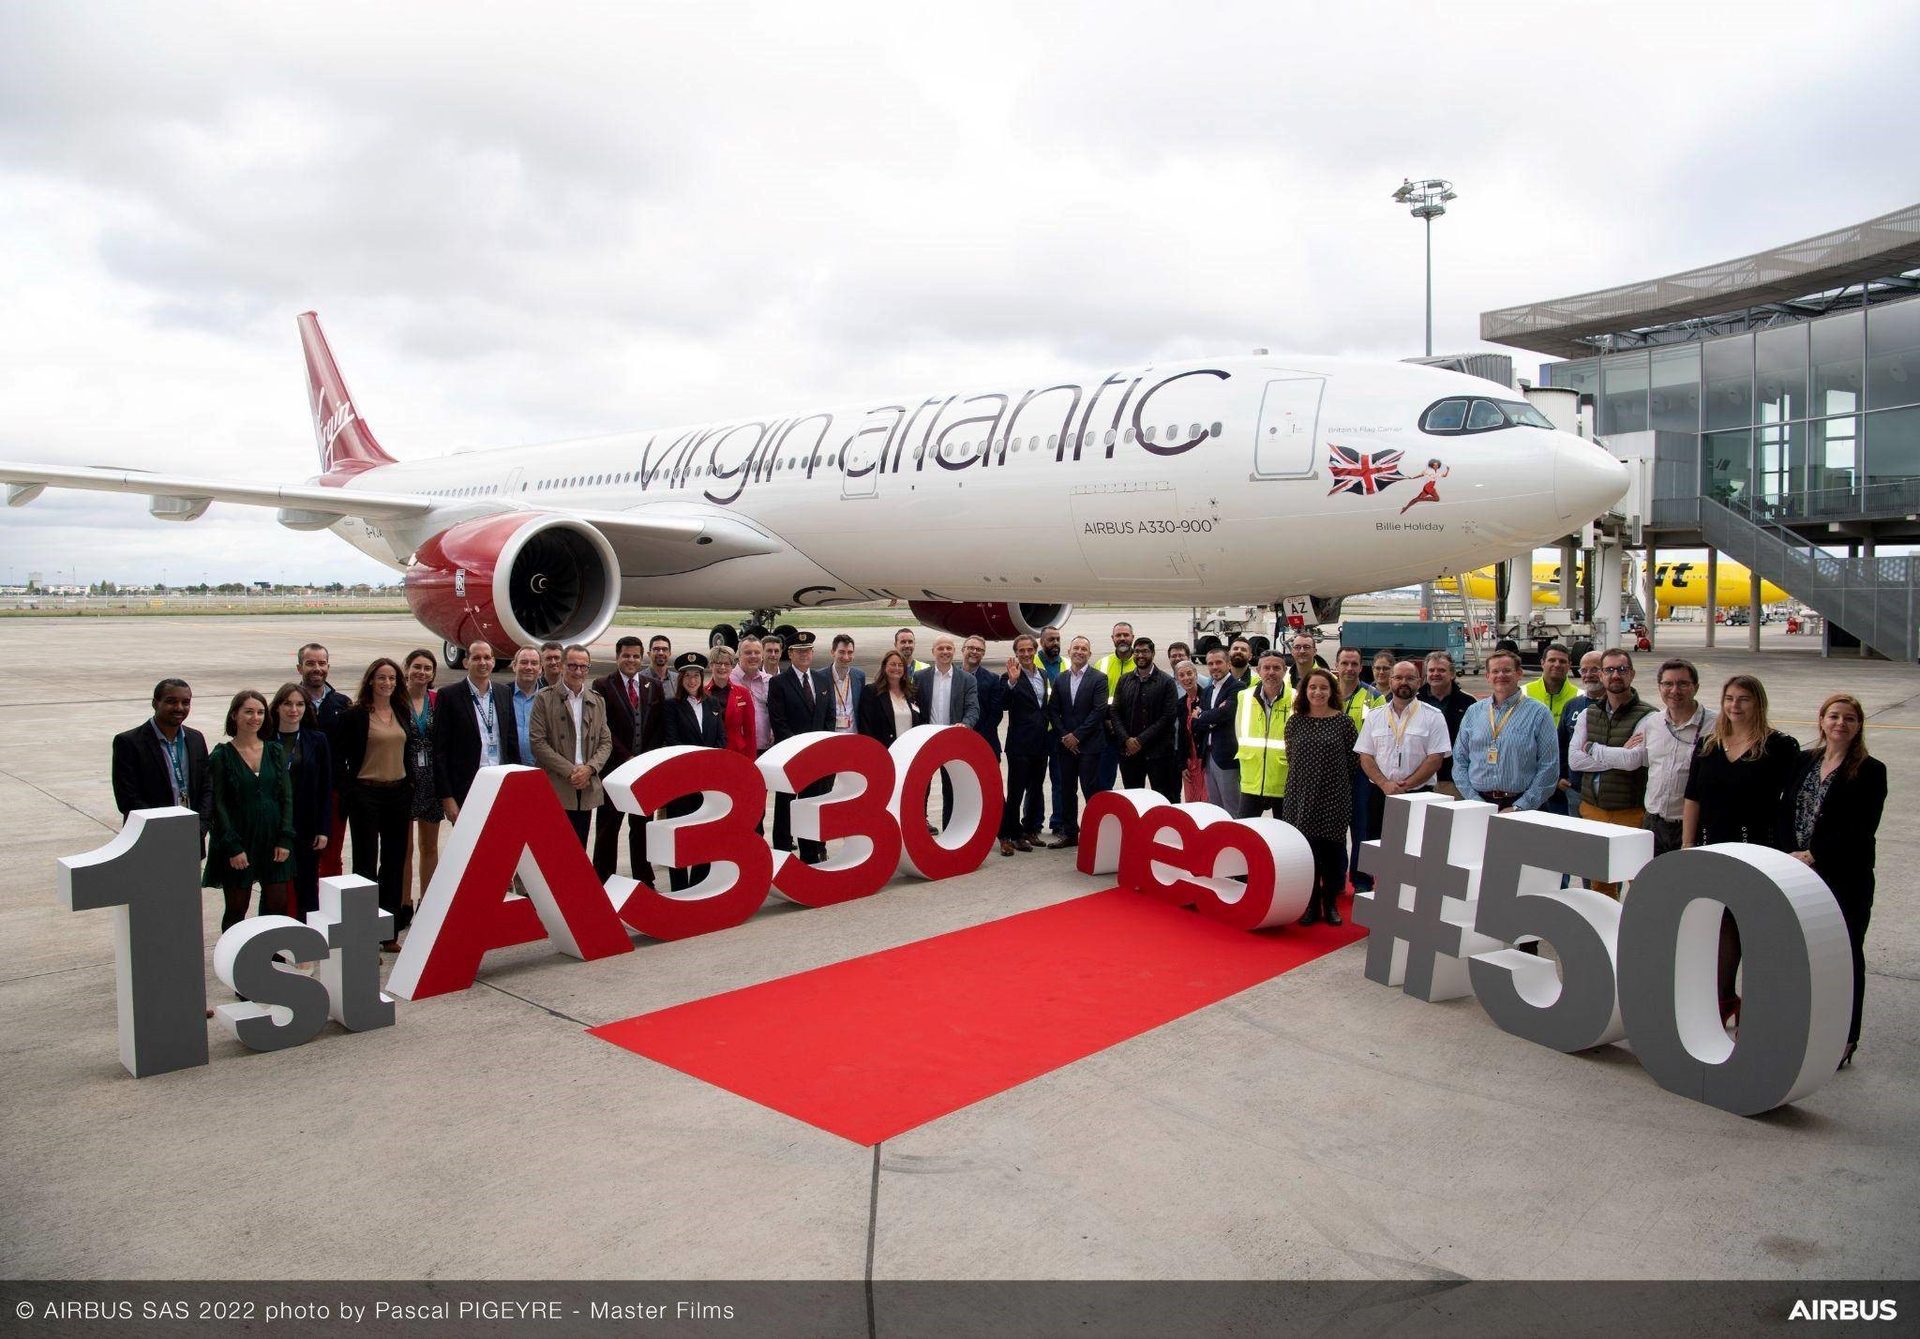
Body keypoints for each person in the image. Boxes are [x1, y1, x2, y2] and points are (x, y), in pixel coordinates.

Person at [1684, 675, 1801, 1026]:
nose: (1735, 705)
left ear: (1758, 703)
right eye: (1729, 698)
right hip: (1712, 844)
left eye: (1744, 699)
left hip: (1758, 848)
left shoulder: (1779, 746)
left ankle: (1759, 1002)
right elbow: (1692, 797)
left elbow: (1790, 802)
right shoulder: (1708, 743)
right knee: (1719, 924)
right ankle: (1721, 998)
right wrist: (1689, 844)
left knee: (1752, 926)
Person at [1781, 693, 1886, 1067]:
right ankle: (1805, 1027)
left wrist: (1815, 854)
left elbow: (1861, 828)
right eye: (1834, 716)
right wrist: (1789, 853)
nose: (1840, 724)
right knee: (1804, 954)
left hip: (1845, 877)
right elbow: (1785, 810)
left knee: (1846, 955)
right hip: (1798, 872)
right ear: (1822, 720)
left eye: (1849, 719)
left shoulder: (1871, 770)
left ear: (1859, 727)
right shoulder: (1804, 761)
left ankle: (1846, 1037)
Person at [335, 658, 421, 945]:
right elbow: (340, 759)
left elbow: (408, 750)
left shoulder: (401, 711)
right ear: (370, 680)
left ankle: (388, 932)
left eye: (392, 679)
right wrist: (351, 791)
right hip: (366, 795)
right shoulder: (355, 715)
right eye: (382, 678)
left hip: (397, 794)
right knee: (365, 865)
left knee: (394, 863)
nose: (387, 683)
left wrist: (409, 784)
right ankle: (363, 935)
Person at [202, 690, 296, 935]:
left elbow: (286, 797)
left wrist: (285, 837)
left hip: (272, 837)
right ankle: (233, 962)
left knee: (278, 903)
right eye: (249, 711)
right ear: (234, 715)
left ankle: (271, 956)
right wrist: (232, 846)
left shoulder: (274, 751)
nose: (255, 717)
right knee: (237, 908)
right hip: (239, 839)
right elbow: (218, 805)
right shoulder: (221, 756)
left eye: (261, 712)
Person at [1568, 649, 1656, 896]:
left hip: (1631, 813)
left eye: (1622, 669)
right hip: (1593, 810)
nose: (1615, 675)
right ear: (1602, 675)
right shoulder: (1589, 713)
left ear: (1632, 674)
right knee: (1599, 883)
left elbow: (1633, 761)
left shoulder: (1649, 716)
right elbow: (1574, 760)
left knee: (1640, 883)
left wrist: (1592, 748)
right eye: (1609, 670)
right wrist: (1617, 754)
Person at [1283, 668, 1359, 926]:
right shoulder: (1295, 721)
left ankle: (1331, 904)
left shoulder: (1343, 722)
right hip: (1301, 795)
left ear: (1332, 692)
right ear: (1305, 691)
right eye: (1312, 687)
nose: (1317, 692)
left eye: (1323, 688)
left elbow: (1353, 761)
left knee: (1332, 854)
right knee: (1308, 855)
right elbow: (1292, 756)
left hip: (1333, 795)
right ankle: (1311, 904)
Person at [1354, 660, 1450, 847]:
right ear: (1390, 682)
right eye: (1398, 677)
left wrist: (1404, 786)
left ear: (1419, 682)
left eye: (1409, 678)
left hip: (1418, 794)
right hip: (1380, 794)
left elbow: (1435, 759)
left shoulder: (1433, 716)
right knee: (1378, 850)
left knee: (1415, 851)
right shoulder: (1375, 715)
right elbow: (1365, 755)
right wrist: (1384, 784)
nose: (1403, 682)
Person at [1453, 649, 1559, 813]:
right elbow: (1459, 761)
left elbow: (1549, 767)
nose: (1501, 675)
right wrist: (1475, 801)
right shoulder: (1473, 712)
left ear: (1519, 674)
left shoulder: (1539, 713)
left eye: (1507, 670)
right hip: (1479, 803)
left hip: (1523, 805)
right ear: (1487, 676)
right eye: (1495, 671)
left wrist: (1521, 806)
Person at [596, 635, 666, 886]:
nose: (631, 660)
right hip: (615, 768)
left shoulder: (652, 685)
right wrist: (627, 757)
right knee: (608, 827)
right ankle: (603, 879)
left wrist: (645, 759)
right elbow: (603, 726)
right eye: (626, 655)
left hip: (643, 770)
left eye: (636, 656)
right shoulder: (603, 684)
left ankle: (644, 879)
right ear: (617, 657)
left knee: (642, 826)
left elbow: (658, 726)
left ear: (642, 657)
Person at [530, 645, 613, 845]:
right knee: (554, 847)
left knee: (579, 847)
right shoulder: (544, 698)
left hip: (585, 786)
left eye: (583, 667)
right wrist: (571, 772)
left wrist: (589, 769)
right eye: (573, 666)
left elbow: (605, 742)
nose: (578, 672)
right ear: (561, 666)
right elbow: (537, 742)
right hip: (558, 784)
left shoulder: (597, 701)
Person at [112, 678, 212, 842]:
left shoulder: (196, 739)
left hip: (191, 835)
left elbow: (207, 787)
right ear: (155, 703)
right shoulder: (129, 743)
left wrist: (201, 826)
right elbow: (128, 799)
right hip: (149, 837)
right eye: (171, 701)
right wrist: (163, 829)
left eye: (185, 702)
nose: (179, 707)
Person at [433, 640, 521, 823]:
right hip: (466, 787)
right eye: (476, 658)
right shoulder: (449, 695)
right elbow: (440, 750)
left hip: (500, 782)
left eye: (487, 657)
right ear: (466, 663)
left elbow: (511, 743)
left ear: (494, 661)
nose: (483, 662)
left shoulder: (503, 692)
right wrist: (447, 797)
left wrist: (515, 784)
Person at [267, 681, 333, 919]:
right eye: (287, 704)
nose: (293, 709)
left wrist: (323, 829)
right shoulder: (264, 740)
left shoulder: (317, 740)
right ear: (276, 707)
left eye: (299, 704)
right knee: (273, 892)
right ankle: (274, 948)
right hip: (274, 827)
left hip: (306, 826)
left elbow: (325, 789)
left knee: (307, 889)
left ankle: (308, 944)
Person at [1636, 658, 1715, 855]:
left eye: (1682, 684)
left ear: (1696, 687)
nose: (1674, 690)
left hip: (1693, 826)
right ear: (1659, 687)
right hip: (1653, 823)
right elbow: (1647, 763)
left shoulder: (1717, 726)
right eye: (1668, 684)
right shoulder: (1652, 723)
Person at [662, 652, 726, 891]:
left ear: (702, 677)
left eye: (696, 675)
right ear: (681, 679)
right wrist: (695, 768)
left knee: (703, 836)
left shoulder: (712, 704)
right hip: (682, 784)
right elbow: (672, 741)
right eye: (687, 676)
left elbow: (720, 739)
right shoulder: (671, 706)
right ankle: (679, 888)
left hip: (708, 785)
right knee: (679, 838)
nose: (692, 681)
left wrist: (709, 769)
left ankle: (699, 885)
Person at [768, 630, 831, 861]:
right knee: (786, 806)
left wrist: (821, 748)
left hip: (817, 758)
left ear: (813, 653)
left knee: (811, 807)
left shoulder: (823, 680)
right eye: (799, 651)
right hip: (791, 757)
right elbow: (778, 721)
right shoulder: (779, 683)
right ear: (790, 654)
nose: (804, 655)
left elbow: (829, 716)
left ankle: (811, 854)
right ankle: (782, 853)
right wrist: (798, 750)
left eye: (808, 651)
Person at [1046, 635, 1108, 848]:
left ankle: (1098, 833)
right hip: (1066, 746)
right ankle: (1070, 832)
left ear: (1089, 654)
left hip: (1089, 745)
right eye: (1076, 648)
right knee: (1067, 790)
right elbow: (1053, 710)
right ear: (1069, 652)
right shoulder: (1061, 678)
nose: (1079, 652)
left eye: (1084, 649)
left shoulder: (1099, 678)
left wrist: (1077, 736)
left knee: (1091, 789)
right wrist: (1065, 736)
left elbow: (1099, 711)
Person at [297, 643, 352, 879]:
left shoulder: (342, 703)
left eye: (321, 663)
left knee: (331, 854)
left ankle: (330, 910)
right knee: (300, 855)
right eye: (310, 663)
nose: (316, 668)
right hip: (299, 791)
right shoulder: (289, 703)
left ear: (328, 667)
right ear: (299, 668)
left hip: (334, 791)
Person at [916, 635, 981, 829]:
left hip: (953, 741)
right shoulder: (920, 678)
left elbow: (973, 708)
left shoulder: (967, 679)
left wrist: (965, 725)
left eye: (949, 648)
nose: (945, 652)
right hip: (927, 740)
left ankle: (950, 829)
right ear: (933, 651)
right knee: (921, 786)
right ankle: (920, 824)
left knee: (951, 788)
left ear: (954, 651)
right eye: (941, 648)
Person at [1334, 647, 1384, 890]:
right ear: (1337, 665)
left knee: (1361, 830)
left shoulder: (1373, 696)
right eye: (1345, 663)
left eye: (1354, 664)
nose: (1349, 668)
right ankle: (1336, 878)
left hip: (1361, 773)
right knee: (1334, 829)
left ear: (1360, 667)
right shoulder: (1326, 691)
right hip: (1331, 772)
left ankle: (1362, 880)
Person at [1110, 636, 1181, 801]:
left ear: (1153, 653)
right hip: (1129, 753)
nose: (1140, 655)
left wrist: (1140, 741)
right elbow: (1114, 711)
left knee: (1164, 797)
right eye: (1137, 651)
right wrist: (1127, 740)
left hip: (1159, 754)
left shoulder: (1166, 682)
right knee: (1134, 800)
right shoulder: (1124, 680)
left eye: (1145, 651)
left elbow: (1168, 716)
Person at [400, 649, 444, 907]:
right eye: (417, 666)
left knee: (429, 846)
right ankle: (403, 903)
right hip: (404, 780)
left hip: (431, 780)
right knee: (404, 849)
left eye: (427, 668)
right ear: (406, 668)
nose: (422, 672)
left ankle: (427, 903)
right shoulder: (396, 701)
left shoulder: (437, 700)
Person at [998, 635, 1049, 855]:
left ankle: (1029, 830)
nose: (1026, 654)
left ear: (1036, 651)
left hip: (1040, 742)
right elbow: (1003, 704)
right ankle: (1009, 835)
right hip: (1019, 744)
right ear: (1016, 653)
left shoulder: (1044, 675)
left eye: (1030, 650)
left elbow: (1043, 707)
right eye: (1021, 651)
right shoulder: (1010, 676)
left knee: (1035, 789)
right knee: (1016, 791)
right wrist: (1011, 682)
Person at [1233, 649, 1295, 819]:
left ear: (1284, 671)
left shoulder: (1296, 699)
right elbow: (1239, 732)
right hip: (1252, 781)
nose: (1271, 672)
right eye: (1266, 668)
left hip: (1283, 781)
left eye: (1276, 668)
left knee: (1286, 835)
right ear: (1258, 671)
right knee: (1244, 833)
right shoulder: (1244, 697)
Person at [1418, 651, 1476, 798]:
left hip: (1454, 781)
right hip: (1418, 779)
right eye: (1431, 670)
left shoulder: (1469, 703)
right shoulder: (1414, 701)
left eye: (1441, 670)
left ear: (1452, 674)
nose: (1435, 674)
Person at [1192, 646, 1243, 814]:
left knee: (1232, 806)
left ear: (1228, 664)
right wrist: (1210, 716)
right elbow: (1197, 723)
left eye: (1219, 662)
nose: (1214, 667)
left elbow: (1226, 714)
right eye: (1210, 663)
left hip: (1227, 757)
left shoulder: (1237, 687)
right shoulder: (1207, 690)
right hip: (1208, 755)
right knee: (1216, 808)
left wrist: (1204, 715)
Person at [1093, 622, 1134, 793]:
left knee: (1133, 786)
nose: (1122, 638)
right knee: (1102, 784)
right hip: (1106, 735)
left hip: (1131, 735)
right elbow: (1093, 699)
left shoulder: (1141, 663)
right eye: (1118, 635)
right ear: (1112, 639)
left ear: (1132, 637)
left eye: (1125, 635)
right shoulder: (1101, 664)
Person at [725, 637, 773, 773]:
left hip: (765, 749)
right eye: (748, 653)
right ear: (739, 656)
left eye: (757, 652)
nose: (753, 656)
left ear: (762, 656)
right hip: (738, 750)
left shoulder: (769, 681)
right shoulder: (728, 680)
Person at [858, 649, 922, 746]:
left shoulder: (911, 693)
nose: (897, 668)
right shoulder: (871, 692)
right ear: (884, 667)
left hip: (909, 749)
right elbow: (865, 726)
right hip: (884, 750)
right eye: (893, 664)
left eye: (900, 665)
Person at [963, 635, 1005, 758]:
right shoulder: (952, 676)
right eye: (971, 648)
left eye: (979, 650)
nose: (974, 652)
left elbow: (996, 714)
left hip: (985, 742)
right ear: (963, 650)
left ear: (983, 654)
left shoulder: (992, 679)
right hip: (957, 742)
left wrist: (978, 738)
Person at [1174, 660, 1207, 802]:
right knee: (1192, 803)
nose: (1186, 678)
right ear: (1177, 679)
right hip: (1190, 761)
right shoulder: (1180, 703)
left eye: (1189, 673)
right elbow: (1181, 736)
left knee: (1208, 801)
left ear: (1196, 675)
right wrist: (1182, 765)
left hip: (1206, 760)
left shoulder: (1208, 697)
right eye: (1181, 675)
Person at [509, 646, 543, 766]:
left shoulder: (549, 697)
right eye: (523, 662)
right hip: (509, 768)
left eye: (534, 663)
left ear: (540, 669)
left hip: (541, 769)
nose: (529, 667)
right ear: (514, 666)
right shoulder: (501, 695)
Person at [824, 634, 863, 734]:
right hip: (830, 737)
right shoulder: (820, 677)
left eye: (850, 652)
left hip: (853, 736)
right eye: (841, 652)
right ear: (832, 652)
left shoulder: (859, 676)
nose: (846, 657)